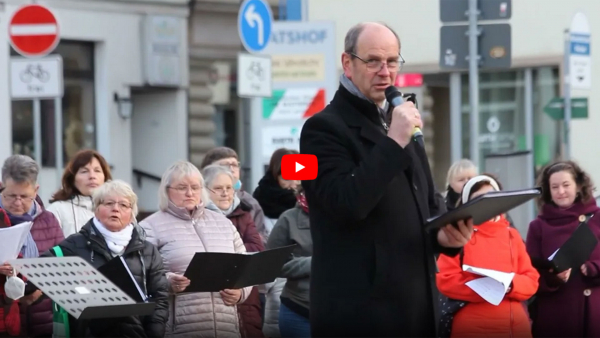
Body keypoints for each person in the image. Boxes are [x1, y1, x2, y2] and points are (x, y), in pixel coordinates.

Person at [299, 22, 473, 337]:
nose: (385, 71)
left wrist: (444, 238)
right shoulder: (320, 130)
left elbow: (427, 204)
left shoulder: (401, 122)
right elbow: (344, 205)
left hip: (417, 306)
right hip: (362, 312)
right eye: (374, 61)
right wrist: (393, 142)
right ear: (347, 63)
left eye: (392, 61)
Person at [43, 180, 169, 337]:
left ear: (131, 213)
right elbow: (42, 272)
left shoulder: (148, 250)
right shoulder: (75, 244)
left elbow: (160, 297)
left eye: (123, 205)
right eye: (109, 203)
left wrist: (154, 333)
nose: (115, 209)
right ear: (96, 209)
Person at [139, 161, 251, 337]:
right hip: (180, 328)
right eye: (182, 187)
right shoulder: (149, 227)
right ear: (167, 190)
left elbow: (246, 266)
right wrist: (168, 282)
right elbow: (139, 274)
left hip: (226, 326)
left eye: (195, 187)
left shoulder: (223, 222)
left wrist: (241, 292)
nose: (190, 193)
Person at [436, 174, 539, 338]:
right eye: (479, 199)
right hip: (473, 328)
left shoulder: (512, 235)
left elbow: (531, 279)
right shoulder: (457, 235)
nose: (487, 203)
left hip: (517, 328)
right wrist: (484, 288)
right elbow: (445, 278)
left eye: (492, 196)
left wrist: (511, 285)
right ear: (467, 204)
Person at [526, 161, 600, 337]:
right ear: (548, 191)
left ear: (579, 186)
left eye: (566, 185)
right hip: (557, 318)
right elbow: (530, 274)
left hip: (595, 314)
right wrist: (553, 278)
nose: (561, 191)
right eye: (555, 187)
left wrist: (593, 268)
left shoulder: (597, 219)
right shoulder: (538, 227)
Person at [0, 155, 64, 337]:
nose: (18, 203)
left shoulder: (48, 220)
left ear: (36, 191)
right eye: (11, 195)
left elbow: (61, 264)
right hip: (5, 320)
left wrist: (41, 289)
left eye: (25, 196)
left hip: (41, 316)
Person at [202, 164, 265, 338]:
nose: (225, 193)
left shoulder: (243, 214)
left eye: (229, 188)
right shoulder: (199, 218)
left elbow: (257, 248)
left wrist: (224, 252)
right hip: (210, 298)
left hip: (246, 293)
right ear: (205, 190)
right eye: (218, 188)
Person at [252, 148, 300, 337]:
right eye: (288, 174)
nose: (294, 182)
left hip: (297, 277)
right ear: (276, 174)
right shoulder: (256, 202)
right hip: (268, 275)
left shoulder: (307, 204)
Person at [266, 185, 312, 338]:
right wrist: (315, 263)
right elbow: (271, 264)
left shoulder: (349, 215)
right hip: (299, 309)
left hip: (343, 310)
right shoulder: (289, 218)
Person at [200, 147, 266, 246]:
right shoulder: (196, 209)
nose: (231, 169)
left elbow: (260, 242)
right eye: (225, 166)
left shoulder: (249, 204)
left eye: (234, 165)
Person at [47, 149, 112, 237]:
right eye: (84, 171)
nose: (92, 176)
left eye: (97, 171)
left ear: (105, 177)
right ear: (72, 179)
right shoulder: (57, 210)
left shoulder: (117, 209)